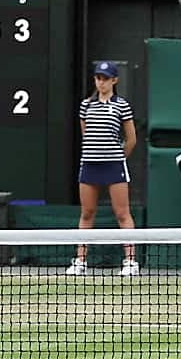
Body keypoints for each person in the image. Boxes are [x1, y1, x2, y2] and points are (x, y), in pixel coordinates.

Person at [67, 62, 139, 277]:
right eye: (98, 78)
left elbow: (131, 139)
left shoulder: (121, 105)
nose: (101, 82)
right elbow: (86, 134)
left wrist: (117, 158)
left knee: (122, 213)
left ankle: (130, 262)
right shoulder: (85, 106)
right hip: (89, 165)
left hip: (114, 166)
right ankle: (80, 261)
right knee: (87, 213)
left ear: (114, 80)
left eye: (105, 78)